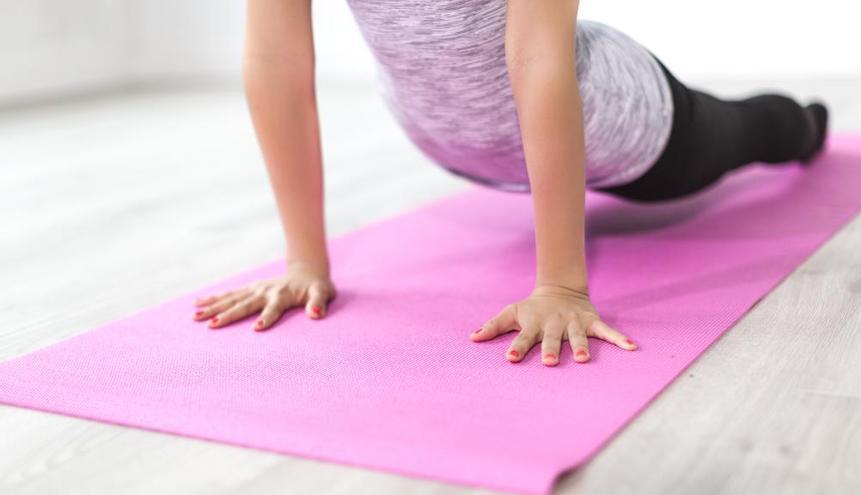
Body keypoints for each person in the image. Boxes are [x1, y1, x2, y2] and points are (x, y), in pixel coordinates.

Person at [192, 0, 828, 366]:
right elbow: (276, 61)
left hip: (622, 122)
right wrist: (305, 259)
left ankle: (801, 125)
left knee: (750, 130)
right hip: (457, 139)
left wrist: (560, 286)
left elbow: (538, 57)